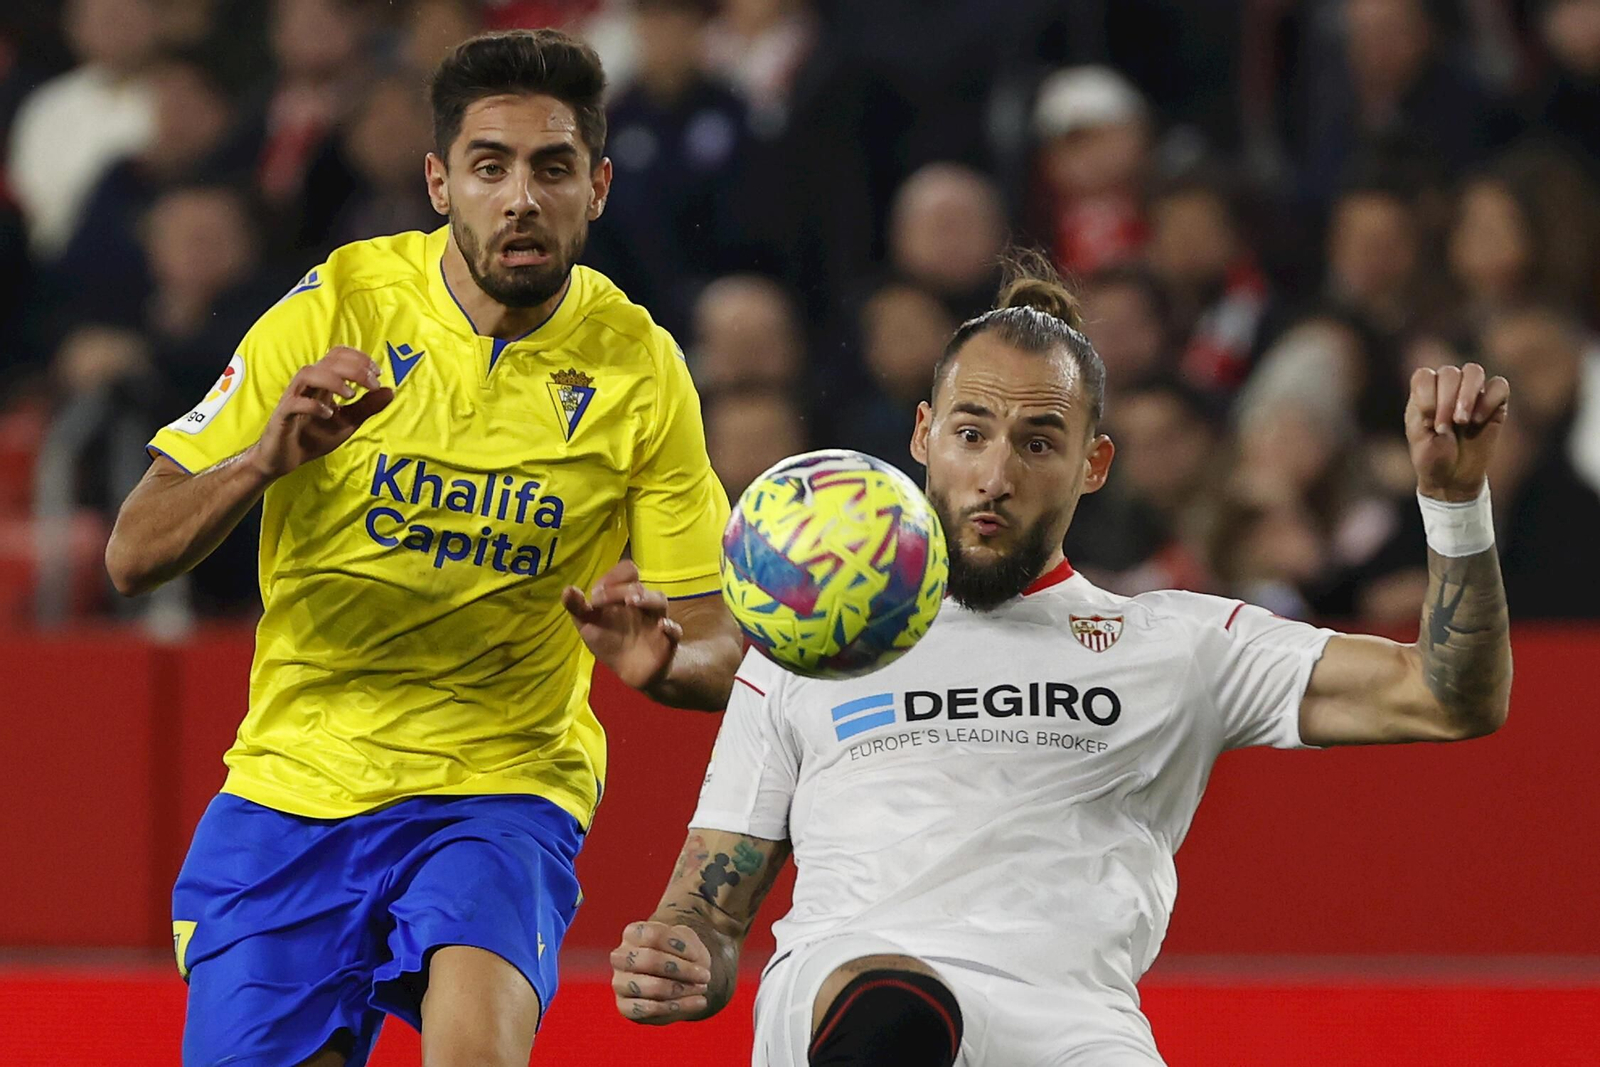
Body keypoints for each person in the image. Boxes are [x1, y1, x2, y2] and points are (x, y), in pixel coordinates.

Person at [610, 253, 1513, 1066]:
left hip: (1074, 1025)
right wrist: (684, 954)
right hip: (859, 997)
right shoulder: (808, 643)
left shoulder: (1180, 645)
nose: (996, 474)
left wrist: (1454, 502)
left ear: (1095, 462)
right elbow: (709, 912)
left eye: (1038, 442)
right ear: (924, 435)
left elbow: (1447, 696)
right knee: (897, 1003)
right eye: (972, 433)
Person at [103, 29, 743, 1067]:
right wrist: (261, 461)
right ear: (441, 182)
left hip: (500, 785)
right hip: (294, 786)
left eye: (553, 167)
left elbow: (717, 631)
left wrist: (666, 661)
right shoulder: (337, 308)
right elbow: (132, 554)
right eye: (490, 168)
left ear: (600, 187)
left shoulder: (638, 367)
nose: (521, 198)